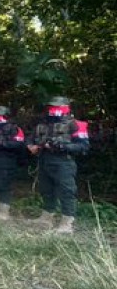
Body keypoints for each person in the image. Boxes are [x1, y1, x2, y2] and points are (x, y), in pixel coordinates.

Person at [27, 96, 89, 234]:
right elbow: (30, 138)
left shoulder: (75, 124)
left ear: (66, 108)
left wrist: (62, 146)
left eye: (57, 107)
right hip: (44, 160)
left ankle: (67, 222)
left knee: (67, 191)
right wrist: (31, 146)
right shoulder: (43, 124)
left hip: (63, 162)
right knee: (46, 189)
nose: (53, 110)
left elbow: (83, 146)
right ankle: (47, 217)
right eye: (51, 107)